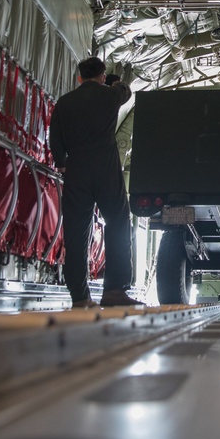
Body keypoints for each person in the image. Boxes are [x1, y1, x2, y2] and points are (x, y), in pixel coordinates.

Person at [49, 57, 141, 307]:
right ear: (102, 76)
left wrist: (62, 162)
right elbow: (125, 91)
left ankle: (79, 297)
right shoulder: (110, 96)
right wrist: (115, 83)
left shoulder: (64, 103)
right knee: (118, 224)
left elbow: (54, 137)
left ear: (79, 78)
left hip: (76, 169)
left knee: (76, 233)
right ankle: (114, 291)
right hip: (106, 170)